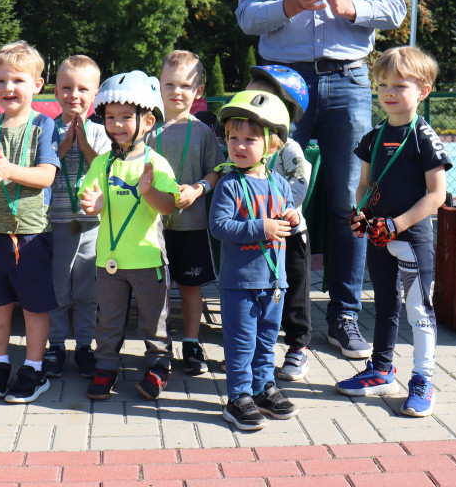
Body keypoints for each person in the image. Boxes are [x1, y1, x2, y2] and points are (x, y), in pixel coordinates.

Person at [236, 0, 406, 360]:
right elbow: (247, 15)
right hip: (281, 85)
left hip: (350, 79)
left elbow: (395, 8)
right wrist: (289, 4)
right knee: (273, 198)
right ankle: (281, 320)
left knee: (347, 202)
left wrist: (349, 7)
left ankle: (345, 316)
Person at [336, 46, 450, 417]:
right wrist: (362, 214)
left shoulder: (425, 137)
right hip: (378, 238)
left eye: (399, 84)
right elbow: (365, 184)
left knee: (419, 310)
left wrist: (398, 224)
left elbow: (438, 195)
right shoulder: (374, 136)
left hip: (411, 239)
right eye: (382, 84)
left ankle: (423, 379)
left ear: (423, 90)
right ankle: (382, 371)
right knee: (384, 307)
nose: (388, 91)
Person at [78, 71, 180, 401]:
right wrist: (92, 205)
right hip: (109, 263)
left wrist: (149, 191)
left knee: (154, 322)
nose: (117, 125)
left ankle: (159, 365)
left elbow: (167, 206)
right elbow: (90, 202)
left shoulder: (156, 163)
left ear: (147, 121)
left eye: (126, 117)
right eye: (110, 118)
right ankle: (105, 366)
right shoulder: (103, 164)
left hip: (149, 261)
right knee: (107, 321)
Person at [0, 41, 60, 404]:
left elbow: (46, 176)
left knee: (35, 307)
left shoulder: (43, 126)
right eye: (0, 80)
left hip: (31, 234)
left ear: (37, 85)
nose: (8, 88)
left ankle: (35, 369)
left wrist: (8, 171)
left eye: (18, 80)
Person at [210, 90, 300, 431]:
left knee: (267, 339)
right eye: (234, 138)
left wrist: (291, 218)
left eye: (250, 139)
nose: (239, 146)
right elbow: (220, 226)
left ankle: (264, 388)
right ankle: (238, 397)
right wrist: (261, 227)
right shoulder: (229, 184)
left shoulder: (279, 183)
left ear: (272, 145)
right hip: (240, 282)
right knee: (241, 341)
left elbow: (288, 219)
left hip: (275, 282)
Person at [151, 50, 222, 376]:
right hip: (152, 226)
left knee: (192, 288)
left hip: (192, 225)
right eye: (169, 83)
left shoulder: (204, 132)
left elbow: (215, 171)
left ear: (198, 91)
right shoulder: (147, 129)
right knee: (159, 286)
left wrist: (197, 190)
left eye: (185, 85)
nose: (176, 91)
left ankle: (192, 343)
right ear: (158, 84)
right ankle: (159, 344)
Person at [244, 65, 313, 381]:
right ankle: (255, 349)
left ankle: (298, 347)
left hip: (289, 232)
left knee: (294, 292)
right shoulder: (247, 146)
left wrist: (284, 208)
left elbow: (300, 182)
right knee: (262, 292)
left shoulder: (288, 149)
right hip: (258, 234)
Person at [43, 55, 111, 379]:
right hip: (54, 222)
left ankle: (85, 345)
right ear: (55, 91)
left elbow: (107, 169)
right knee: (57, 288)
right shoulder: (46, 129)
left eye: (82, 88)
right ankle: (56, 345)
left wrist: (82, 144)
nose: (74, 95)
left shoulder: (102, 131)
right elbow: (41, 169)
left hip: (91, 225)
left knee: (87, 289)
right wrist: (63, 145)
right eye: (66, 88)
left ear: (95, 94)